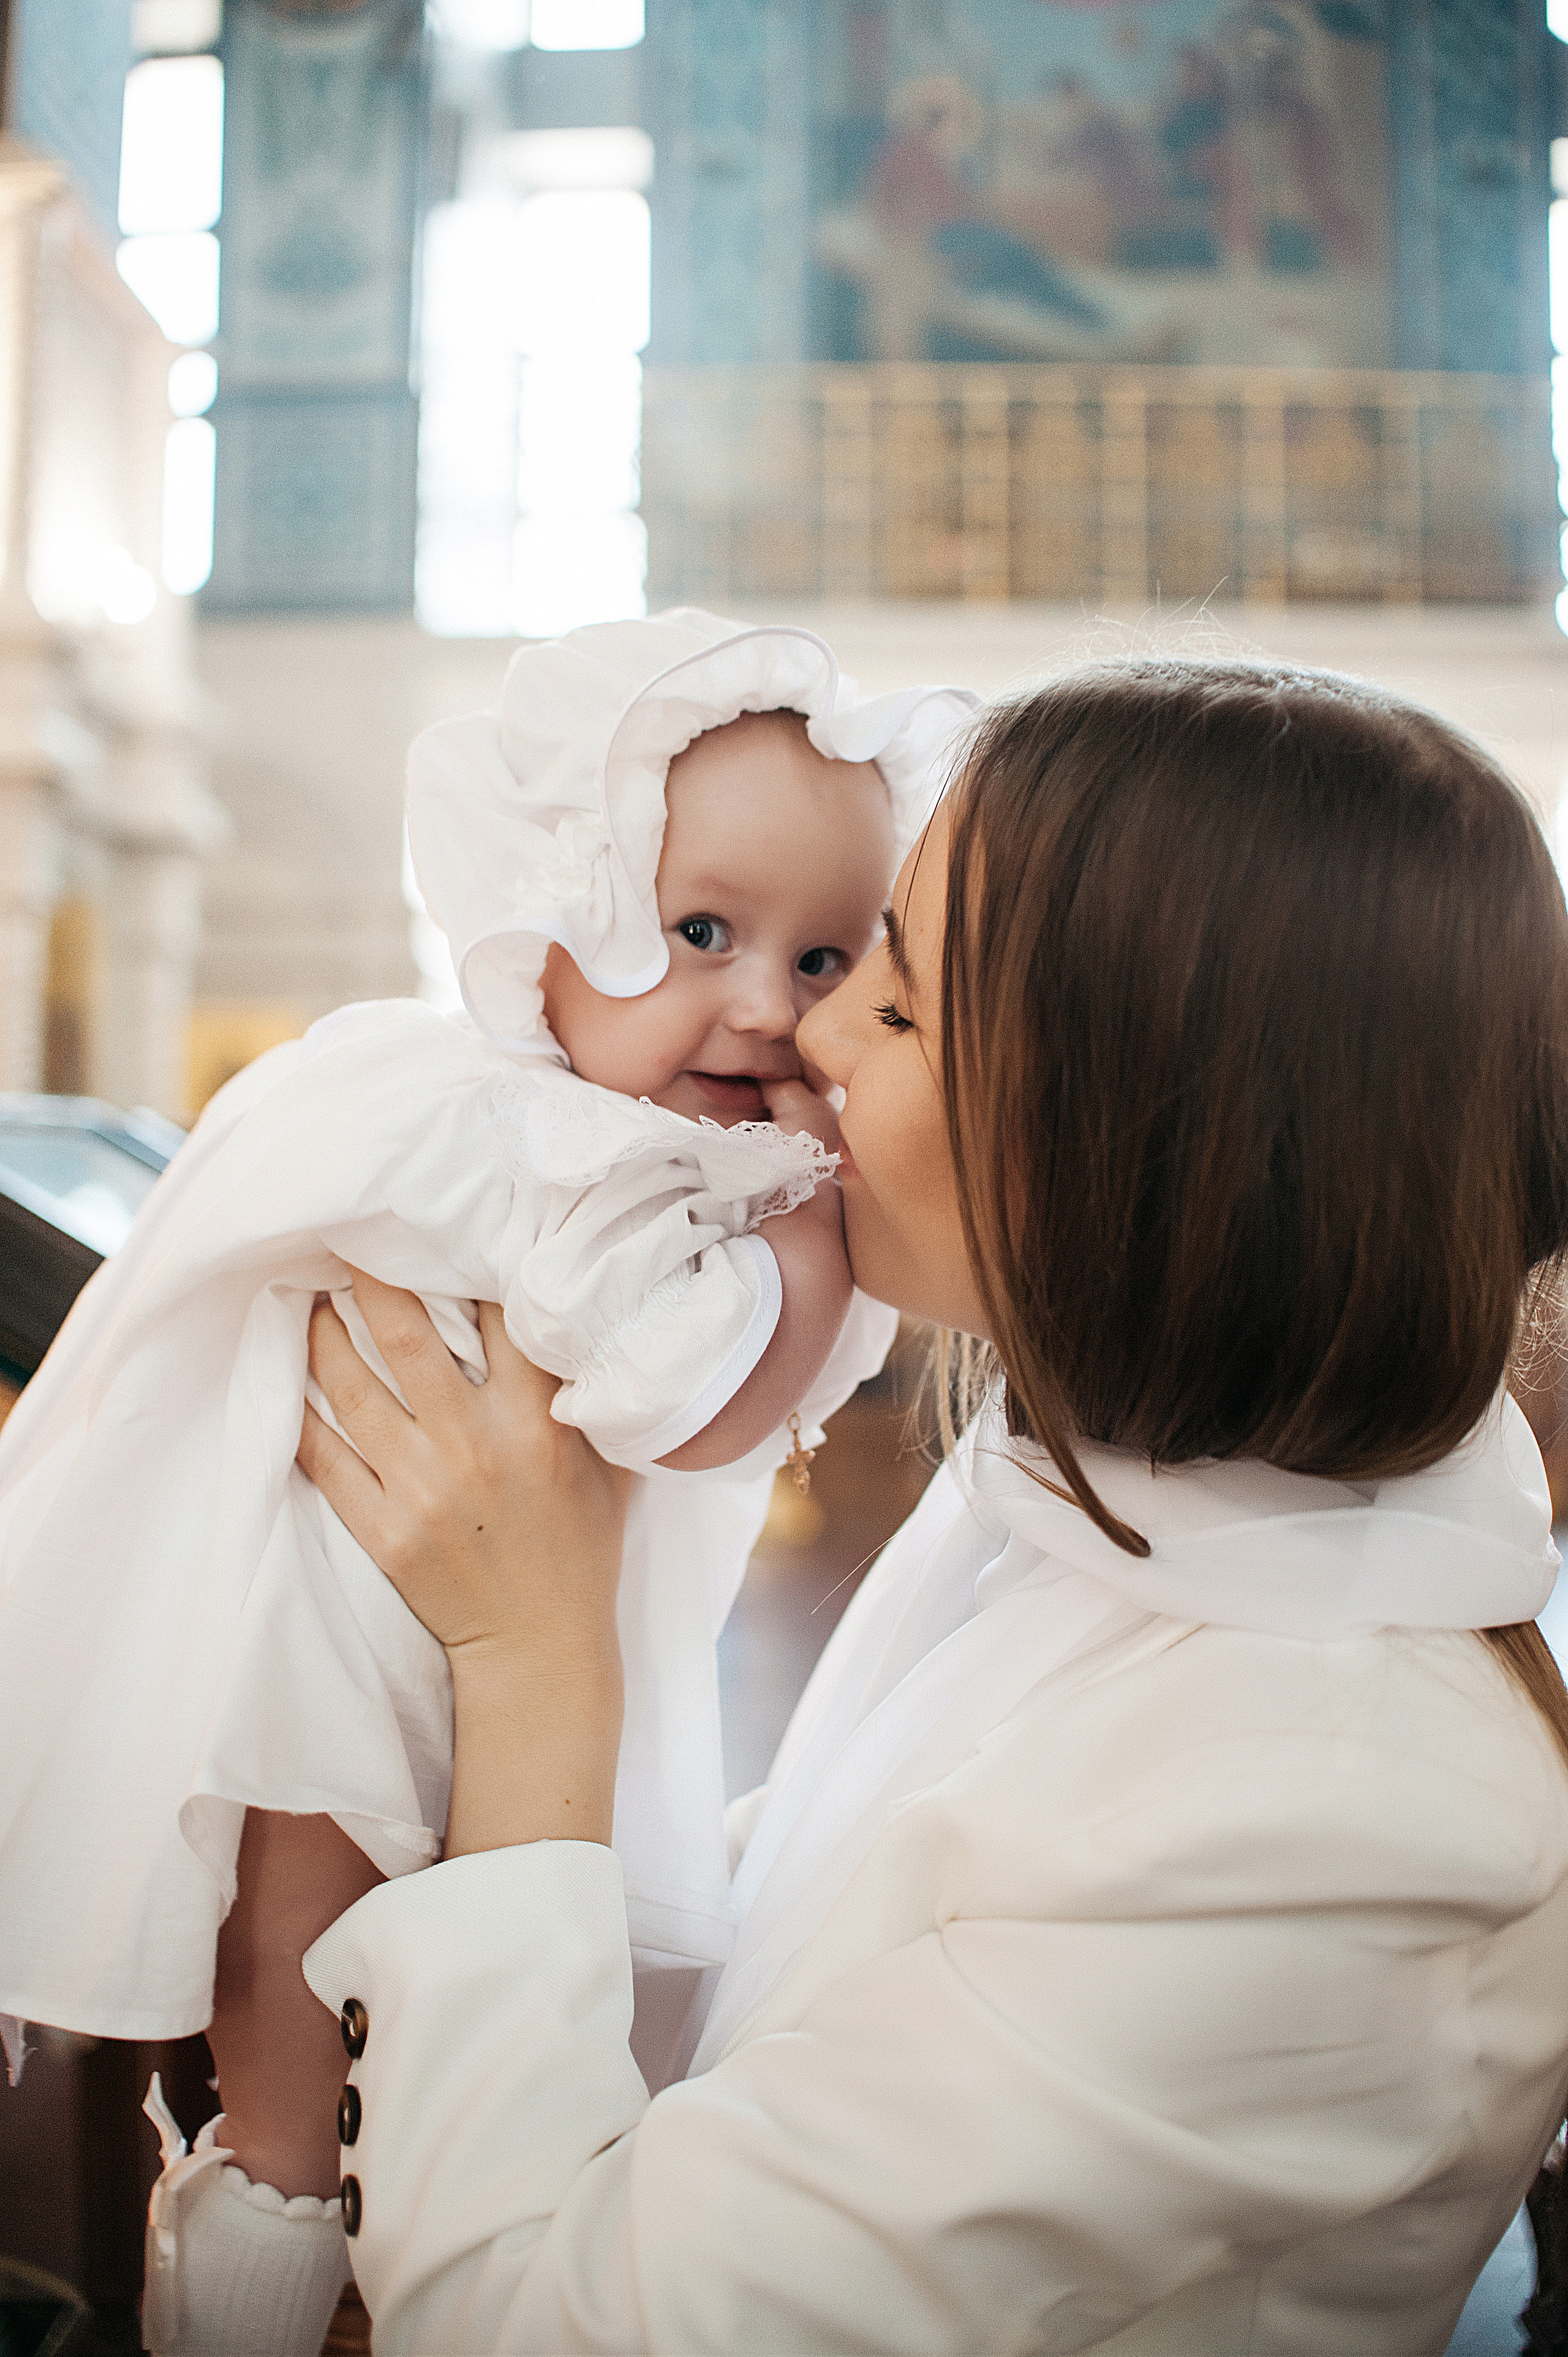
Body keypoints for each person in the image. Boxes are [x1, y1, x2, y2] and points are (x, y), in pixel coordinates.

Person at [187, 649, 1568, 2357]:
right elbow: (842, 1949)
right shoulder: (1126, 1489)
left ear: (1147, 1143)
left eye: (894, 1000)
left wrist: (532, 1654)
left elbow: (546, 2331)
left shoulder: (1319, 1822)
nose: (808, 1036)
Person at [0, 609, 973, 2343]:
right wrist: (794, 1229)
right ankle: (249, 2283)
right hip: (309, 1619)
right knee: (286, 2008)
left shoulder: (673, 1163)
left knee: (416, 1999)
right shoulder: (465, 1109)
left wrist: (800, 1216)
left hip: (476, 1644)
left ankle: (309, 2263)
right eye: (696, 931)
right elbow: (665, 1379)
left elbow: (718, 1416)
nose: (761, 1004)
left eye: (827, 964)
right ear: (551, 919)